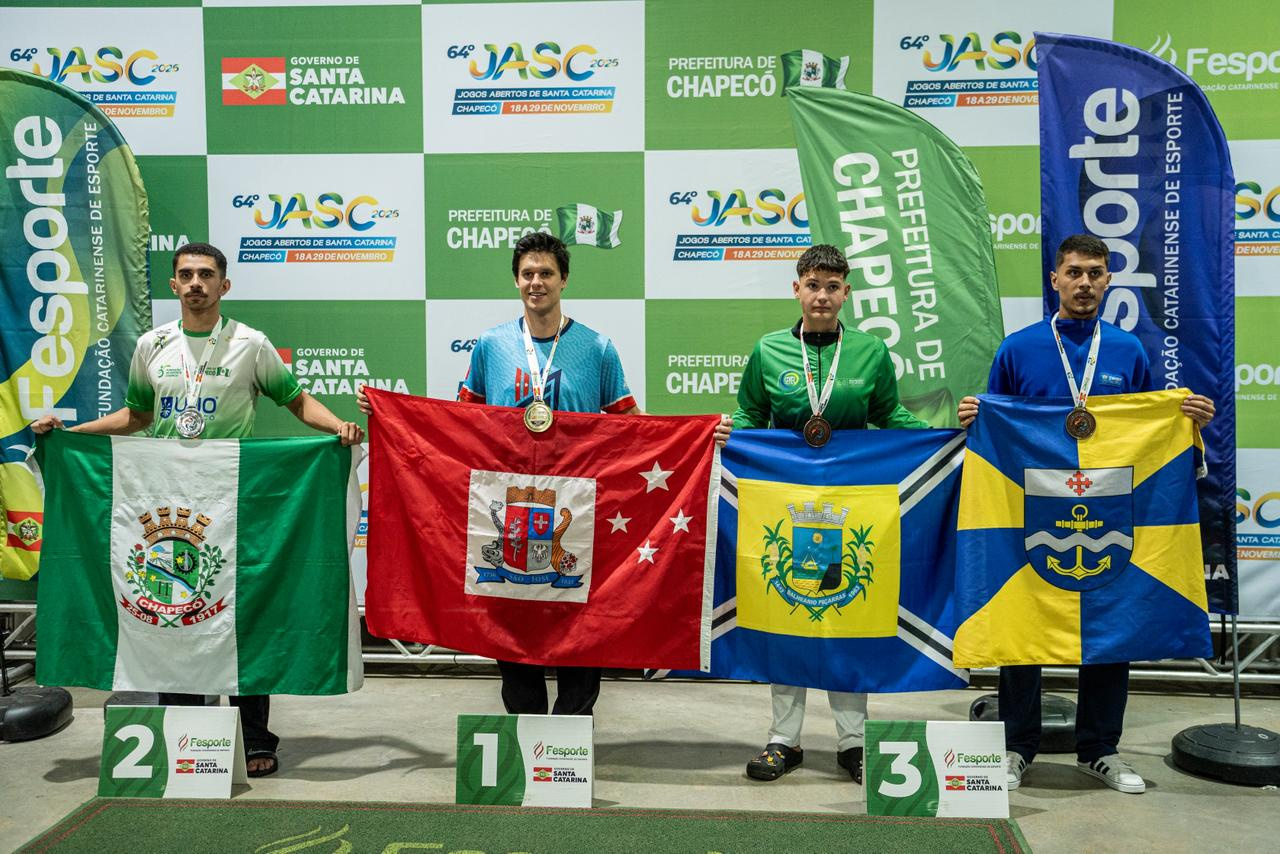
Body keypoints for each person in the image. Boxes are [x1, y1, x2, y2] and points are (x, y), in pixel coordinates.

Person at [357, 231, 730, 716]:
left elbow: (633, 427)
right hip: (506, 503)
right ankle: (526, 728)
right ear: (516, 281)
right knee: (512, 620)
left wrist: (697, 437)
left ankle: (572, 733)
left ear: (564, 280)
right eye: (528, 273)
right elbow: (461, 422)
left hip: (578, 507)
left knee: (582, 617)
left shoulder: (597, 348)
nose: (537, 282)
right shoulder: (491, 345)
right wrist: (389, 414)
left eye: (546, 273)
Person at [32, 241, 364, 777]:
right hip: (165, 498)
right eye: (186, 274)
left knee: (244, 615)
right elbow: (137, 416)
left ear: (223, 285)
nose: (195, 283)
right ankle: (185, 732)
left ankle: (254, 738)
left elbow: (297, 401)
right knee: (173, 610)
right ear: (173, 284)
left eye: (206, 275)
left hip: (233, 502)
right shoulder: (152, 345)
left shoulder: (250, 344)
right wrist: (72, 434)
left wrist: (339, 427)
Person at [957, 233, 1215, 795]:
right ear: (1055, 279)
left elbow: (1147, 440)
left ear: (1108, 281)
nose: (1084, 283)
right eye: (1074, 272)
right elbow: (996, 434)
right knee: (1021, 622)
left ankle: (1100, 749)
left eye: (1095, 273)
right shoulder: (1018, 349)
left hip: (1109, 512)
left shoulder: (1127, 350)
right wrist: (976, 415)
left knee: (1111, 620)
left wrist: (1185, 419)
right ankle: (1017, 747)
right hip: (1033, 510)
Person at [733, 243, 929, 784]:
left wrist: (945, 437)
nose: (822, 295)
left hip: (851, 502)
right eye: (813, 285)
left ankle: (853, 743)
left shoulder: (869, 350)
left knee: (849, 613)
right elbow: (750, 414)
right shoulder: (769, 349)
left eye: (833, 287)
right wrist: (721, 433)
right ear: (796, 289)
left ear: (847, 293)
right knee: (786, 609)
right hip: (785, 502)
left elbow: (889, 414)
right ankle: (783, 740)